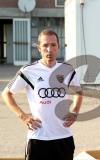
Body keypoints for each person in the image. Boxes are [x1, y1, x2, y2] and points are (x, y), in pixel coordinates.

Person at [2, 29, 82, 160]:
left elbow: (79, 92)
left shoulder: (68, 70)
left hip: (63, 136)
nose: (49, 49)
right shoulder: (28, 71)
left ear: (58, 47)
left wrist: (75, 112)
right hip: (38, 138)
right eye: (45, 45)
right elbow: (7, 93)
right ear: (39, 48)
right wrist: (23, 116)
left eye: (53, 45)